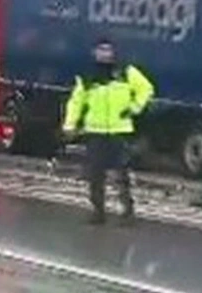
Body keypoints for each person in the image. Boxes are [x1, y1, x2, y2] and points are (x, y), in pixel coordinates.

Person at [62, 39, 156, 225]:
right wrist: (69, 125)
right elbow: (76, 102)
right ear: (94, 53)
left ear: (113, 53)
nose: (104, 54)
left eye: (108, 50)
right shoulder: (88, 77)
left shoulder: (125, 73)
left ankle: (127, 212)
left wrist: (134, 108)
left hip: (119, 131)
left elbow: (146, 89)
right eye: (101, 50)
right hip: (95, 131)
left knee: (121, 174)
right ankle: (98, 211)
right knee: (96, 175)